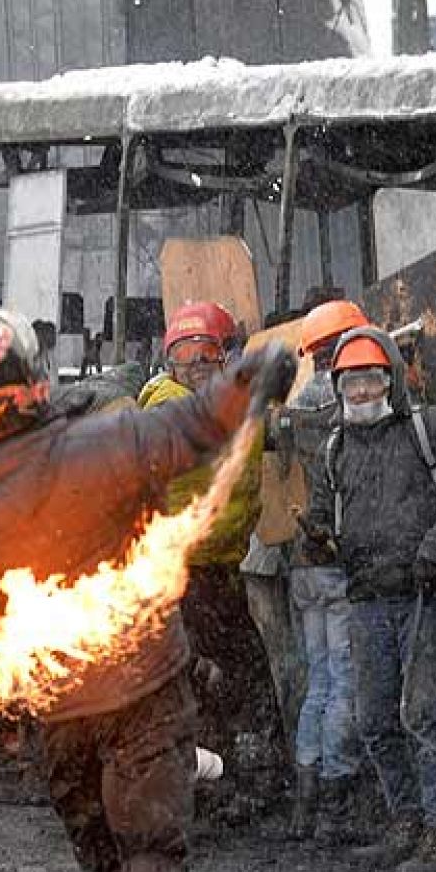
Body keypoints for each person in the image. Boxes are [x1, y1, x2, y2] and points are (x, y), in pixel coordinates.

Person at [0, 308, 296, 872]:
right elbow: (196, 423)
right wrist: (253, 375)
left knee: (102, 865)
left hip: (56, 708)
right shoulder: (102, 446)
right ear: (34, 383)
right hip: (144, 692)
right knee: (149, 854)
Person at [301, 327, 436, 872]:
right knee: (375, 719)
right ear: (338, 387)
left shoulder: (431, 431)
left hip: (425, 595)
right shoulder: (335, 448)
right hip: (366, 596)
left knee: (423, 715)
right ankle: (406, 819)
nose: (361, 393)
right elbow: (323, 514)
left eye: (371, 380)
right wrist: (317, 537)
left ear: (392, 378)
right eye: (352, 383)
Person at [138, 302, 286, 814]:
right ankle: (209, 787)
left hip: (220, 571)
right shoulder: (171, 409)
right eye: (184, 354)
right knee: (216, 680)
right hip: (182, 576)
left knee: (223, 679)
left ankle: (216, 784)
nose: (195, 363)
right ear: (168, 362)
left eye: (205, 352)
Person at [280, 299, 371, 842]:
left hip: (301, 568)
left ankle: (305, 801)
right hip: (336, 564)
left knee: (316, 682)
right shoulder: (346, 409)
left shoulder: (295, 407)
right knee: (344, 683)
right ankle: (337, 799)